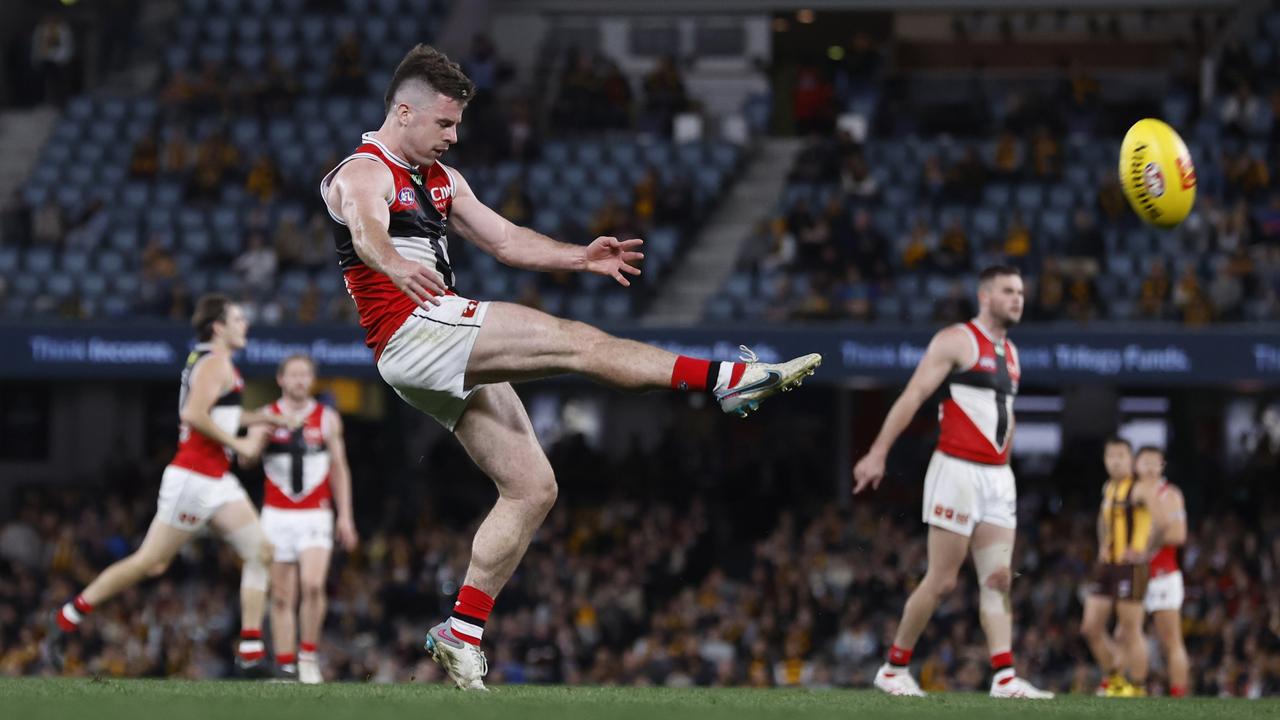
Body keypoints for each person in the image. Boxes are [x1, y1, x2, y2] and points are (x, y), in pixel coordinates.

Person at [320, 45, 821, 690]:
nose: (453, 136)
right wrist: (390, 262)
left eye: (457, 125)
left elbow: (502, 240)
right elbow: (365, 230)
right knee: (574, 342)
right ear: (403, 110)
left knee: (533, 487)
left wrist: (579, 258)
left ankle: (462, 631)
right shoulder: (363, 171)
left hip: (429, 343)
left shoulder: (445, 180)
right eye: (444, 124)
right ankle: (724, 381)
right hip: (414, 328)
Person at [48, 294, 288, 675]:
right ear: (218, 327)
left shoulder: (209, 359)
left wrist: (259, 418)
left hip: (216, 479)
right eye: (238, 319)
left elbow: (218, 411)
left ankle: (252, 650)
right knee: (151, 562)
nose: (246, 325)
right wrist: (241, 442)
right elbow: (194, 414)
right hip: (193, 478)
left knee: (260, 551)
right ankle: (67, 616)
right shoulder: (215, 362)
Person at [851, 265, 1052, 699]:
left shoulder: (1012, 352)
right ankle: (893, 668)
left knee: (999, 578)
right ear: (985, 296)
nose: (1018, 298)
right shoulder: (956, 340)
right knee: (942, 581)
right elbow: (914, 394)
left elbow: (1005, 416)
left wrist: (1006, 469)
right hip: (957, 471)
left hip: (998, 477)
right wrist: (878, 452)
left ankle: (1004, 677)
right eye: (1008, 291)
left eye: (1020, 291)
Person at [253, 354, 357, 683]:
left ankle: (308, 655)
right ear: (281, 379)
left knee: (313, 585)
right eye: (293, 374)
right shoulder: (267, 415)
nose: (299, 380)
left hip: (316, 512)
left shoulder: (327, 418)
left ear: (311, 380)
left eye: (305, 374)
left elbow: (340, 468)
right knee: (282, 595)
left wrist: (346, 517)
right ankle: (285, 666)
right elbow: (247, 459)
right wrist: (260, 433)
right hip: (276, 513)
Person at [1080, 437, 1153, 697]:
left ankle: (1139, 687)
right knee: (1090, 627)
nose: (1116, 461)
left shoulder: (1140, 488)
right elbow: (1104, 520)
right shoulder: (1109, 487)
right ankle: (1116, 679)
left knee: (1130, 630)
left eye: (1121, 455)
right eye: (1111, 456)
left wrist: (1145, 548)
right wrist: (1102, 544)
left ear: (1131, 459)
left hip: (1130, 566)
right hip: (1108, 564)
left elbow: (1160, 519)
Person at [1131, 447, 1190, 698]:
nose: (1150, 468)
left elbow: (1179, 535)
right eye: (1145, 462)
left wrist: (1148, 541)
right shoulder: (1130, 493)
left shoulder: (1171, 495)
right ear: (1136, 465)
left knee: (1170, 641)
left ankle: (1178, 696)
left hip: (1163, 574)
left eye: (1155, 463)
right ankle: (1135, 689)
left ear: (1162, 466)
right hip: (1135, 574)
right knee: (1128, 633)